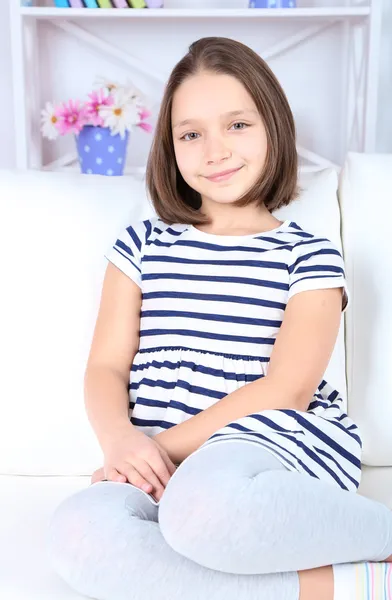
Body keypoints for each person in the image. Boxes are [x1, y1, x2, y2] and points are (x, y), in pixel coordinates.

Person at [46, 37, 392, 600]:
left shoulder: (310, 256)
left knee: (204, 505)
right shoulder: (141, 245)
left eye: (237, 125)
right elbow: (106, 365)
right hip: (156, 457)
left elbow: (287, 388)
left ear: (273, 128)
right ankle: (340, 587)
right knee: (77, 534)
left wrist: (164, 454)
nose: (214, 151)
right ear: (170, 147)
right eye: (191, 134)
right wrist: (121, 445)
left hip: (266, 442)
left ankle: (379, 536)